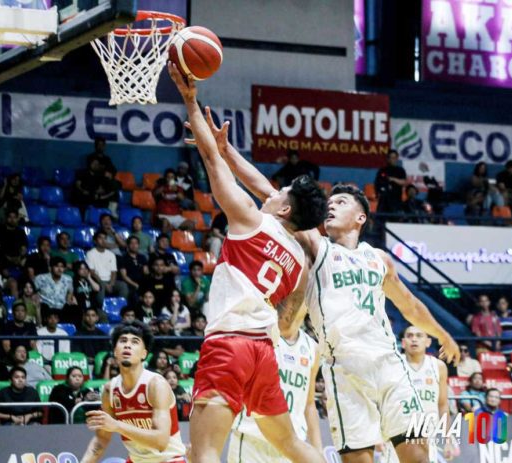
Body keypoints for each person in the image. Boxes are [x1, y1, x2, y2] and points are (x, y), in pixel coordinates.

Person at [190, 85, 459, 462]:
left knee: (418, 456)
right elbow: (265, 190)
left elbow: (410, 304)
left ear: (361, 216)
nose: (332, 206)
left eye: (342, 202)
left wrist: (444, 334)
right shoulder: (316, 247)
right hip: (342, 369)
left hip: (388, 364)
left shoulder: (378, 258)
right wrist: (226, 150)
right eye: (329, 203)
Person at [170, 65, 327, 463]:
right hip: (262, 353)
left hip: (229, 346)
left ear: (285, 206)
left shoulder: (248, 221)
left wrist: (190, 101)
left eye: (281, 191)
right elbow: (260, 186)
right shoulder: (298, 260)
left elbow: (209, 160)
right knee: (291, 446)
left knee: (201, 454)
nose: (272, 191)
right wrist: (227, 150)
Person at [80, 321, 187, 463]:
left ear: (144, 354)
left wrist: (117, 425)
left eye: (135, 341)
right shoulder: (109, 390)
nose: (127, 345)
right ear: (115, 352)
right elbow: (101, 439)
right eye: (123, 341)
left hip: (167, 459)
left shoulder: (155, 385)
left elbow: (161, 441)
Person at [228, 325, 322, 463]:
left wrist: (318, 450)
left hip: (292, 447)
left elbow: (309, 404)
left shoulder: (312, 348)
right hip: (252, 440)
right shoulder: (260, 335)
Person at [401, 325, 450, 462]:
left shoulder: (438, 367)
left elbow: (443, 405)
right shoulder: (393, 364)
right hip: (398, 436)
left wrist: (448, 439)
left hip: (428, 437)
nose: (414, 339)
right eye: (410, 336)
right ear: (403, 342)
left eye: (419, 335)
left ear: (428, 342)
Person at [87, 230, 127, 309]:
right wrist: (104, 284)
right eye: (100, 238)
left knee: (123, 286)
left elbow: (114, 272)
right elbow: (92, 272)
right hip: (98, 281)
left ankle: (120, 308)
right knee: (101, 287)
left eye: (105, 238)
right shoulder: (90, 253)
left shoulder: (111, 254)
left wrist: (111, 284)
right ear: (95, 240)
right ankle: (104, 310)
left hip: (110, 281)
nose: (103, 240)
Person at [153, 169, 191, 234]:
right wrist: (166, 187)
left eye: (172, 177)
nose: (170, 179)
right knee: (165, 223)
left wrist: (175, 190)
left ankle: (183, 241)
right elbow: (155, 193)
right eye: (168, 177)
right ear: (165, 178)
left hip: (175, 216)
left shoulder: (178, 188)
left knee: (190, 224)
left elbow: (182, 198)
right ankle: (164, 240)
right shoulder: (161, 187)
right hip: (163, 215)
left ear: (174, 178)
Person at [375, 150, 408, 214]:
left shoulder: (400, 170)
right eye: (390, 157)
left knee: (394, 219)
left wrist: (393, 179)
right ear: (387, 158)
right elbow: (377, 183)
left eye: (394, 158)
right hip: (383, 200)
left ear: (397, 158)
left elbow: (404, 182)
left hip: (396, 200)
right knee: (380, 218)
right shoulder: (383, 170)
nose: (392, 160)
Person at [119, 236, 149, 303]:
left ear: (138, 245)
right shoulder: (123, 258)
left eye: (136, 243)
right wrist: (134, 284)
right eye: (131, 243)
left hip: (142, 283)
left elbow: (146, 272)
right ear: (128, 245)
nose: (134, 245)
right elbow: (124, 276)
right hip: (130, 283)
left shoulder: (142, 257)